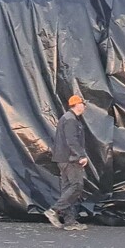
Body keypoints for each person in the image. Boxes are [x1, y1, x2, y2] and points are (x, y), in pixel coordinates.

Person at [45, 95, 89, 231]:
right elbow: (72, 141)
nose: (84, 106)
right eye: (83, 103)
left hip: (62, 159)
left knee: (67, 189)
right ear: (77, 104)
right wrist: (80, 155)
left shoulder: (66, 118)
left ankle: (69, 222)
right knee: (76, 186)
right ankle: (54, 210)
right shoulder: (70, 120)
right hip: (70, 159)